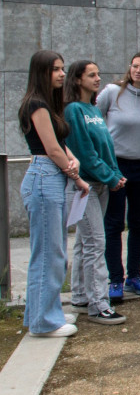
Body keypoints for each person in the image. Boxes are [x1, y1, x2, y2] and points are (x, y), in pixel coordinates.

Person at [19, 51, 86, 337]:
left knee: (49, 252)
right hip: (45, 177)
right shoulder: (37, 104)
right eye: (55, 70)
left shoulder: (47, 104)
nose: (61, 74)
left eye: (62, 68)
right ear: (41, 73)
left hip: (50, 177)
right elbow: (52, 148)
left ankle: (41, 314)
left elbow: (60, 143)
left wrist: (73, 162)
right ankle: (44, 321)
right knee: (50, 254)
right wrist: (76, 174)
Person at [96, 50, 140, 304]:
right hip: (116, 166)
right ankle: (114, 279)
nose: (138, 71)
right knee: (113, 224)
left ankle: (134, 276)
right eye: (134, 66)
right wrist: (99, 155)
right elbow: (91, 119)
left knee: (138, 223)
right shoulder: (113, 92)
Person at [64, 60, 127, 325]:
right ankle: (99, 304)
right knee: (95, 243)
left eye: (98, 74)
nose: (97, 78)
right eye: (92, 75)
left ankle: (80, 295)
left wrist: (113, 175)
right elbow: (84, 152)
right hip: (84, 186)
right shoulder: (73, 110)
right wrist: (109, 176)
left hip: (101, 184)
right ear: (78, 79)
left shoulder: (93, 108)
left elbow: (105, 146)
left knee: (84, 241)